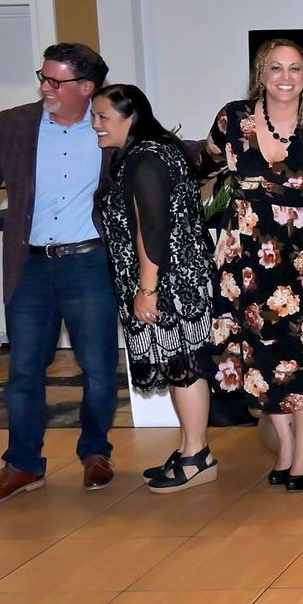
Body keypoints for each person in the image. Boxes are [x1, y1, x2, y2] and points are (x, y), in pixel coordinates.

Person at [0, 43, 119, 507]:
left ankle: (96, 452)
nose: (45, 87)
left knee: (98, 369)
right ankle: (23, 464)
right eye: (43, 77)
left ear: (85, 87)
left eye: (55, 81)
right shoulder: (13, 124)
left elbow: (166, 152)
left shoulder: (110, 123)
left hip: (90, 264)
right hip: (29, 266)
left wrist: (219, 148)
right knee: (24, 370)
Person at [203, 38, 303, 489]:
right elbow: (206, 162)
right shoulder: (232, 119)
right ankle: (285, 446)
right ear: (260, 75)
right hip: (245, 256)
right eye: (276, 68)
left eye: (295, 69)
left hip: (301, 261)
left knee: (302, 354)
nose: (286, 77)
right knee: (258, 354)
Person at [90, 84, 219, 491]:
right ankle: (189, 447)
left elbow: (151, 229)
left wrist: (147, 290)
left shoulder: (145, 159)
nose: (95, 124)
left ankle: (197, 456)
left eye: (103, 116)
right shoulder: (155, 150)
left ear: (130, 118)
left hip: (169, 285)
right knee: (180, 366)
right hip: (175, 279)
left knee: (185, 368)